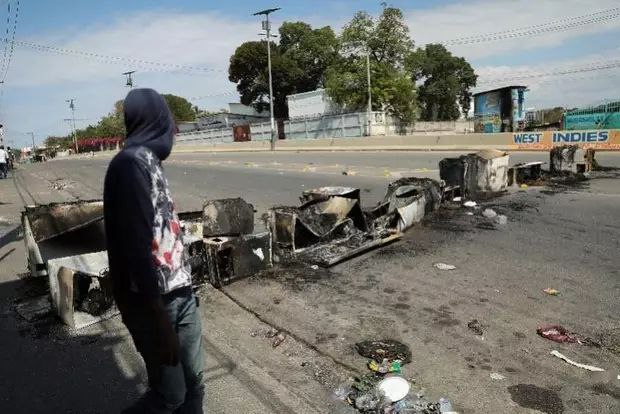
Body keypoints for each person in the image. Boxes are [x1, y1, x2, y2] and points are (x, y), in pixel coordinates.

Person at [104, 88, 205, 414]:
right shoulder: (130, 165)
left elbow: (162, 237)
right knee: (169, 396)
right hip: (154, 305)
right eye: (168, 119)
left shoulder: (150, 161)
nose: (173, 128)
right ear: (154, 120)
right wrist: (159, 320)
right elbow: (135, 250)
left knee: (195, 385)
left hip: (181, 295)